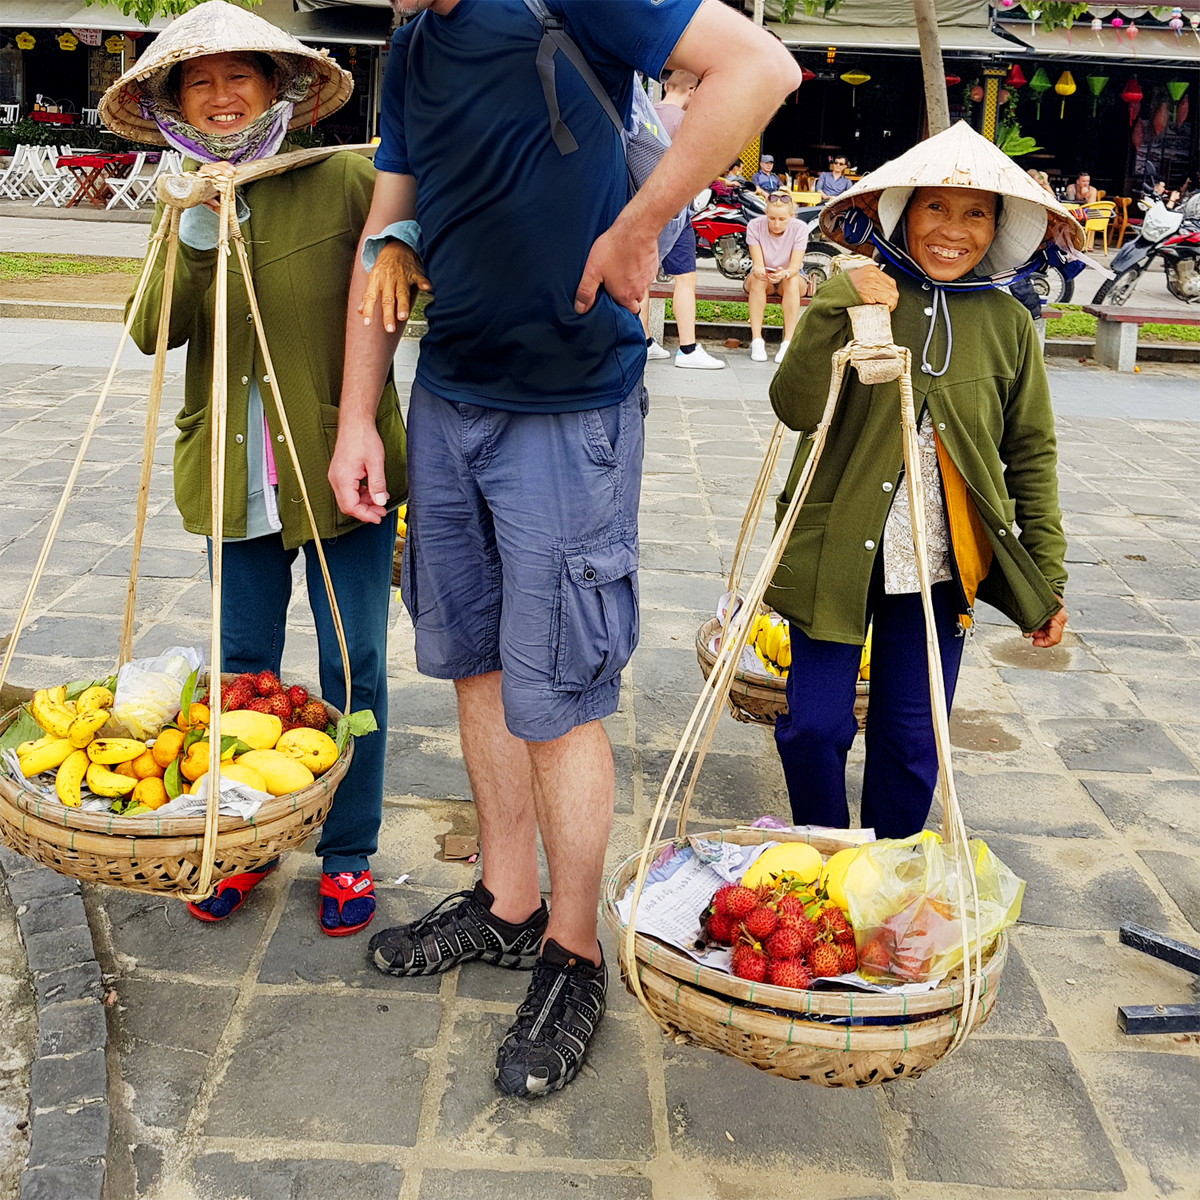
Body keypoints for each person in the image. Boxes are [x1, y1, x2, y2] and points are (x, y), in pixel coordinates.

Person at [328, 0, 799, 1098]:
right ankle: (506, 901)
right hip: (449, 399)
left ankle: (573, 948)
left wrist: (641, 223)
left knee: (561, 689)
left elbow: (758, 68)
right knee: (475, 662)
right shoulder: (412, 44)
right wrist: (360, 415)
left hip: (571, 411)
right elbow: (386, 226)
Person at [103, 2, 405, 934]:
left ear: (279, 88)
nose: (221, 96)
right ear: (176, 104)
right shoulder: (181, 200)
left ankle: (348, 849)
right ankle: (243, 835)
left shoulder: (346, 180)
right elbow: (151, 329)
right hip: (231, 477)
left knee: (355, 666)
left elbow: (398, 298)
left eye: (240, 76)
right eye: (199, 82)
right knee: (241, 669)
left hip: (338, 465)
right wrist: (196, 227)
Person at [765, 121, 1078, 839]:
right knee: (813, 727)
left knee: (911, 743)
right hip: (835, 550)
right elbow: (794, 408)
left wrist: (1047, 574)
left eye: (975, 214)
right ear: (902, 211)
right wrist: (833, 305)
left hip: (939, 563)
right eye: (935, 207)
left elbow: (1031, 453)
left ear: (996, 228)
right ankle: (828, 856)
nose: (953, 231)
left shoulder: (1009, 323)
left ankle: (891, 875)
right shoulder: (861, 295)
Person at [642, 69, 725, 369]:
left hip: (643, 207)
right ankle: (688, 349)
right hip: (675, 210)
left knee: (643, 278)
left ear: (666, 86)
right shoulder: (686, 121)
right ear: (693, 91)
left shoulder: (645, 114)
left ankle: (644, 343)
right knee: (685, 278)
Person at [745, 191, 811, 364]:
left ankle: (788, 341)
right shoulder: (754, 225)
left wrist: (785, 273)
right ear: (765, 213)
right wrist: (760, 270)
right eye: (772, 218)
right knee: (758, 280)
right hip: (763, 276)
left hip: (790, 275)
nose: (776, 224)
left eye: (782, 219)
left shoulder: (800, 228)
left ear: (791, 216)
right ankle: (757, 339)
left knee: (791, 281)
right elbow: (758, 263)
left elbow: (795, 266)